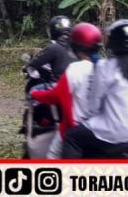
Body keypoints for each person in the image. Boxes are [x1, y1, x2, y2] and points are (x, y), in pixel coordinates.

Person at [62, 20, 128, 158]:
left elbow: (93, 107)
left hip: (115, 132)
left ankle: (69, 177)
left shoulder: (105, 66)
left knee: (72, 137)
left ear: (114, 41)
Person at [30, 22, 103, 159]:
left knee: (52, 156)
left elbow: (55, 96)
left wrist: (35, 94)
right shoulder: (104, 68)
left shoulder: (75, 68)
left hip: (74, 128)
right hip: (101, 130)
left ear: (74, 46)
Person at [29, 16, 76, 81]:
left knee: (34, 89)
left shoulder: (53, 47)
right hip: (79, 85)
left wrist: (28, 67)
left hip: (60, 85)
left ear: (53, 31)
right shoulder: (78, 47)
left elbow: (35, 62)